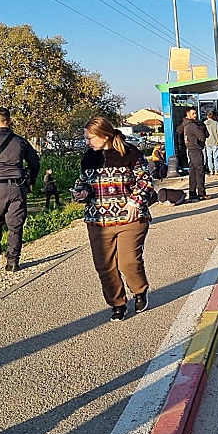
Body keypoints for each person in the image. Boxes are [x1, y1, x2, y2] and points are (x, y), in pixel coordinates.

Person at [72, 116, 155, 322]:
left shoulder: (130, 153)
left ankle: (139, 290)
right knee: (104, 265)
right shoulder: (89, 157)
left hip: (131, 219)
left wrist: (135, 202)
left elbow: (146, 180)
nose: (87, 142)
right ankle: (117, 303)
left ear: (104, 135)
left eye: (90, 138)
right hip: (98, 221)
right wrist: (81, 192)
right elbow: (82, 182)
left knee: (128, 262)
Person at [0, 107, 40, 272]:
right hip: (18, 187)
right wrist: (31, 180)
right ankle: (12, 262)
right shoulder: (20, 141)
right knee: (15, 226)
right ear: (9, 121)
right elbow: (35, 163)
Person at [177, 107, 209, 201]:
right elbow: (202, 137)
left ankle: (192, 192)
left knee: (193, 171)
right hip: (196, 149)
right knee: (200, 170)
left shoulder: (185, 124)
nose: (195, 115)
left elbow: (178, 131)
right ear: (188, 114)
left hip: (189, 149)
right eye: (193, 114)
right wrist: (201, 129)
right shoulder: (192, 126)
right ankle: (201, 193)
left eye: (195, 113)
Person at [204, 111, 218, 175]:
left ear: (207, 116)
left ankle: (211, 170)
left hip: (207, 142)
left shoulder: (204, 123)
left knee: (209, 157)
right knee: (216, 157)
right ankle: (216, 170)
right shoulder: (216, 123)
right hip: (215, 142)